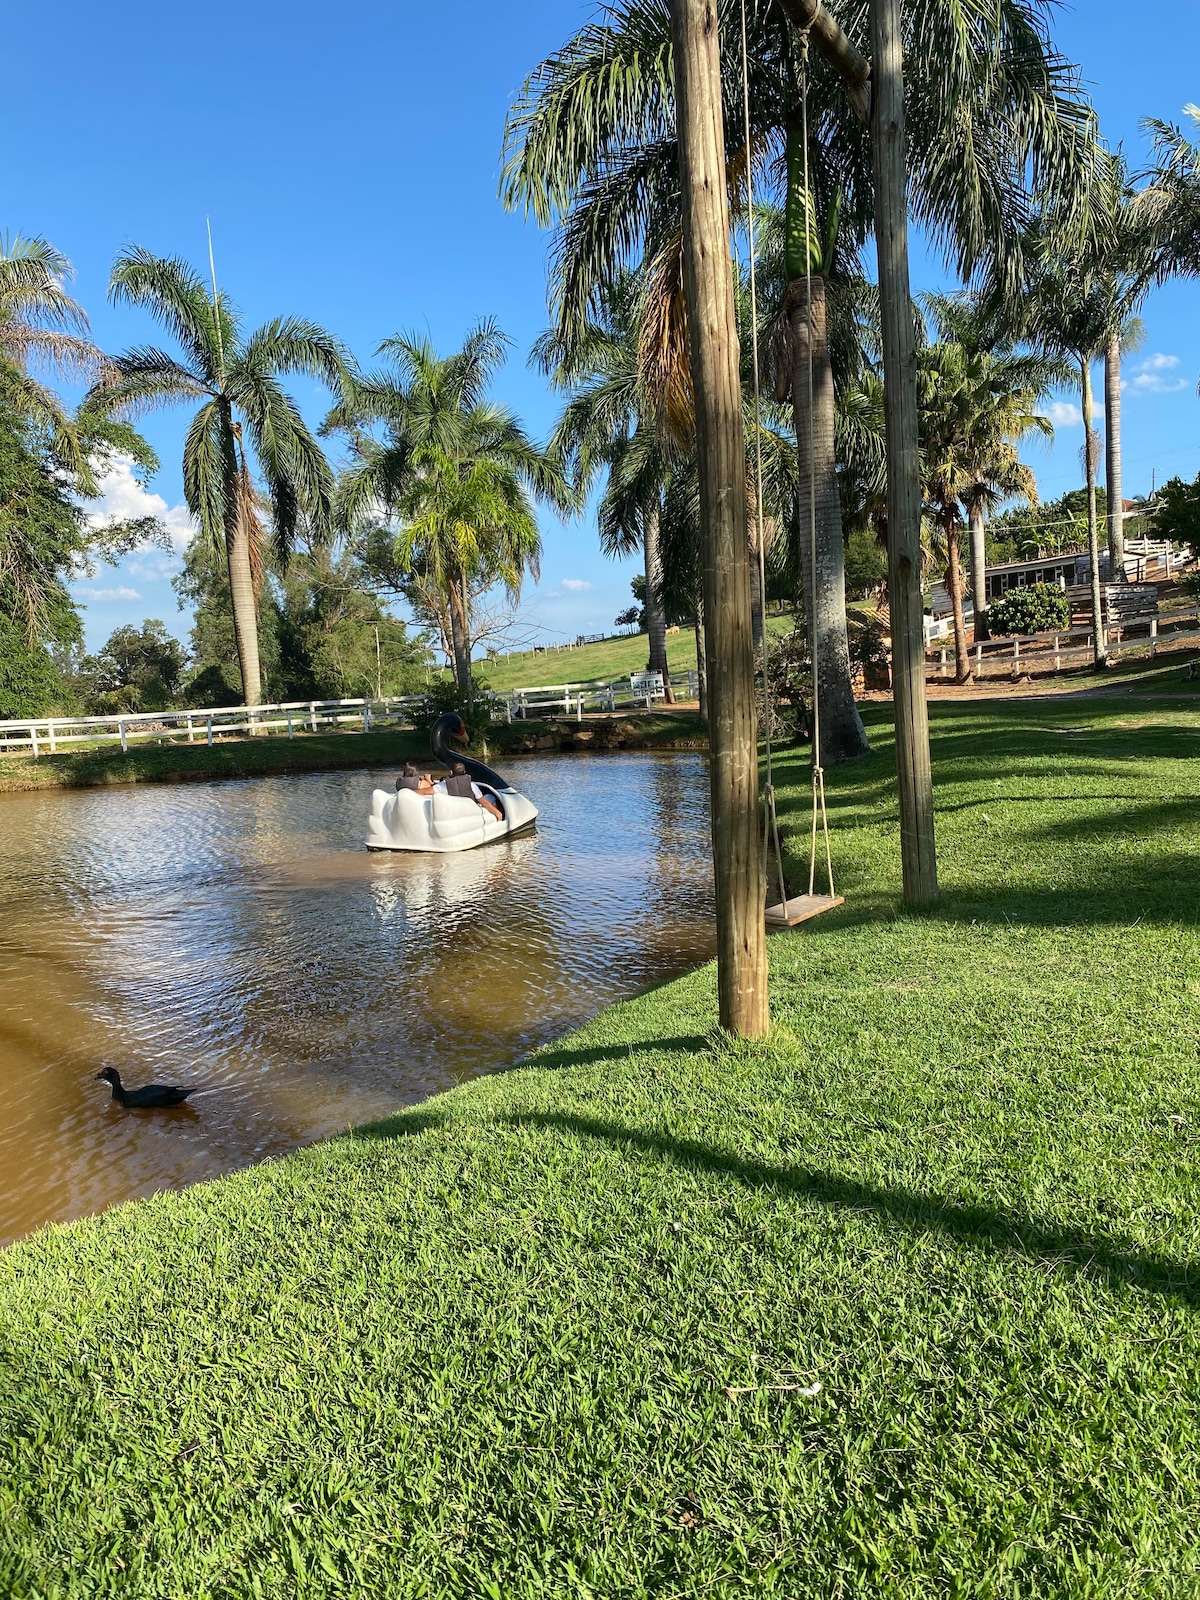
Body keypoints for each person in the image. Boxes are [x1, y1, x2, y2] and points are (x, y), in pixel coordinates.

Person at [438, 760, 503, 822]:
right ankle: (494, 818)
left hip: (455, 811)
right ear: (464, 772)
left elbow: (428, 791)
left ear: (451, 772)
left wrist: (429, 781)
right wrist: (498, 813)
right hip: (471, 811)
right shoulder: (472, 785)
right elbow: (484, 803)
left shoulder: (443, 784)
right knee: (490, 796)